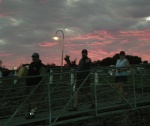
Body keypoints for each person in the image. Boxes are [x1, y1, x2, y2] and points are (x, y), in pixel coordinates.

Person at [25, 53, 46, 119]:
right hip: (29, 85)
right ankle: (29, 113)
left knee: (32, 99)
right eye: (33, 57)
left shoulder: (41, 66)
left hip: (35, 85)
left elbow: (43, 77)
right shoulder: (31, 64)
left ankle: (32, 113)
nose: (33, 58)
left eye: (34, 57)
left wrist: (38, 85)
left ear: (38, 58)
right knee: (29, 99)